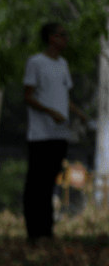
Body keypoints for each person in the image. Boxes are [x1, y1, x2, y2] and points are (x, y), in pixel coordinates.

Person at [23, 22, 89, 242]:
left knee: (51, 181)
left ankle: (47, 231)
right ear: (51, 38)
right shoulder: (36, 62)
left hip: (60, 134)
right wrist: (49, 111)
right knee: (37, 183)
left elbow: (63, 96)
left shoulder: (63, 64)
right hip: (41, 134)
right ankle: (34, 231)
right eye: (62, 35)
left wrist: (78, 113)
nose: (66, 38)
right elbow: (28, 95)